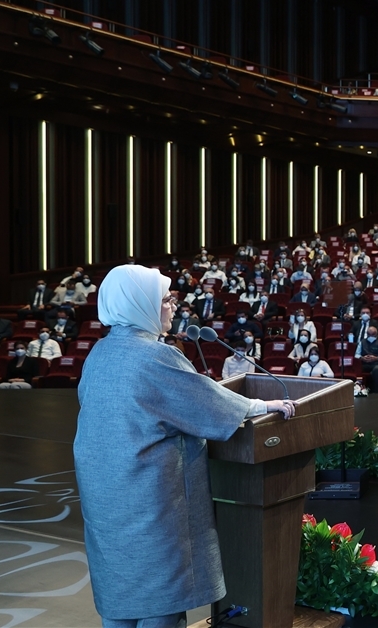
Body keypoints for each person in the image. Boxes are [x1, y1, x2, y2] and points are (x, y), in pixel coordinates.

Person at [73, 264, 294, 628]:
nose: (173, 306)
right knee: (162, 603)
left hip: (107, 498)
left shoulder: (100, 353)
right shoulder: (155, 356)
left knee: (121, 599)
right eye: (164, 300)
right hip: (152, 503)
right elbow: (209, 407)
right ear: (140, 305)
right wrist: (261, 406)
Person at [355, 325, 378, 394]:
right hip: (365, 363)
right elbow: (356, 355)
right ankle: (358, 390)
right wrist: (362, 358)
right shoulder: (362, 342)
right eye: (370, 334)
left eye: (373, 334)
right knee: (356, 368)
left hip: (377, 364)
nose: (371, 336)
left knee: (377, 369)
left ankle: (376, 392)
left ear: (376, 334)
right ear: (367, 334)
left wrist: (376, 358)